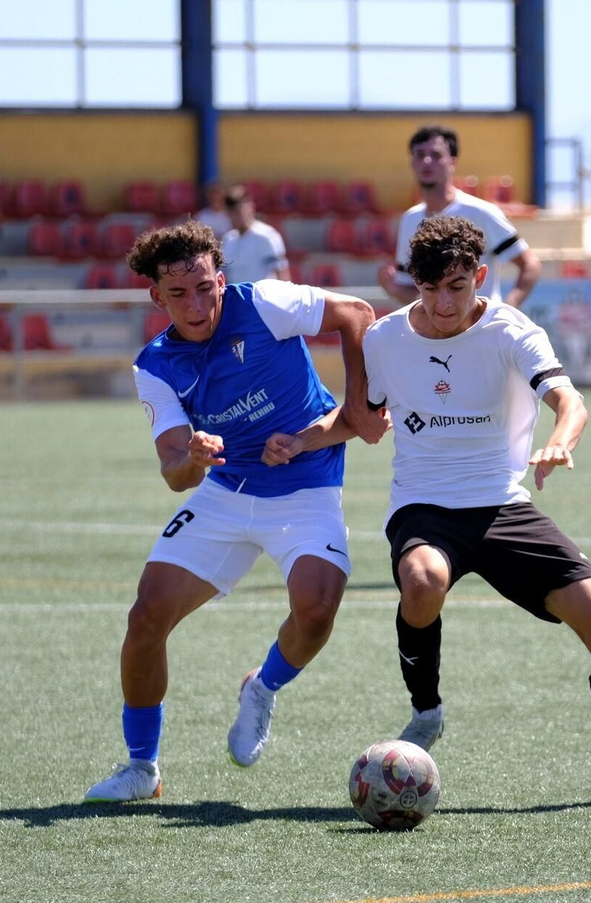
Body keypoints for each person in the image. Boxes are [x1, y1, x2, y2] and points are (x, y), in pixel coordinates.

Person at [273, 215, 591, 806]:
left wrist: (560, 441)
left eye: (456, 286)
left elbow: (568, 399)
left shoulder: (511, 330)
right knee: (422, 579)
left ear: (479, 276)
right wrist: (300, 440)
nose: (442, 303)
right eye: (428, 289)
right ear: (412, 283)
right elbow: (362, 420)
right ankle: (427, 711)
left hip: (504, 504)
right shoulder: (385, 338)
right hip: (424, 504)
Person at [81, 221, 387, 803]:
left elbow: (356, 313)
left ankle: (263, 685)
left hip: (306, 485)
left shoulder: (266, 301)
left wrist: (358, 405)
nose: (196, 305)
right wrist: (193, 458)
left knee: (317, 610)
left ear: (222, 279)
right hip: (224, 494)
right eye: (179, 294)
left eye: (205, 287)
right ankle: (141, 768)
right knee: (146, 618)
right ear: (157, 297)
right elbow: (174, 472)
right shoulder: (155, 365)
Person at [379, 124, 542, 308]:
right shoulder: (410, 219)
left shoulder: (481, 212)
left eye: (436, 155)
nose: (426, 161)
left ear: (453, 162)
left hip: (482, 330)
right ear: (412, 162)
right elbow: (416, 293)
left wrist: (510, 305)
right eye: (419, 154)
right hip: (437, 334)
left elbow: (530, 264)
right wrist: (394, 288)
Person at [221, 185, 289, 284]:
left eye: (239, 211)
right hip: (237, 299)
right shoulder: (228, 240)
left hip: (263, 299)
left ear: (250, 207)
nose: (236, 217)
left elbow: (282, 274)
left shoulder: (267, 236)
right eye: (231, 213)